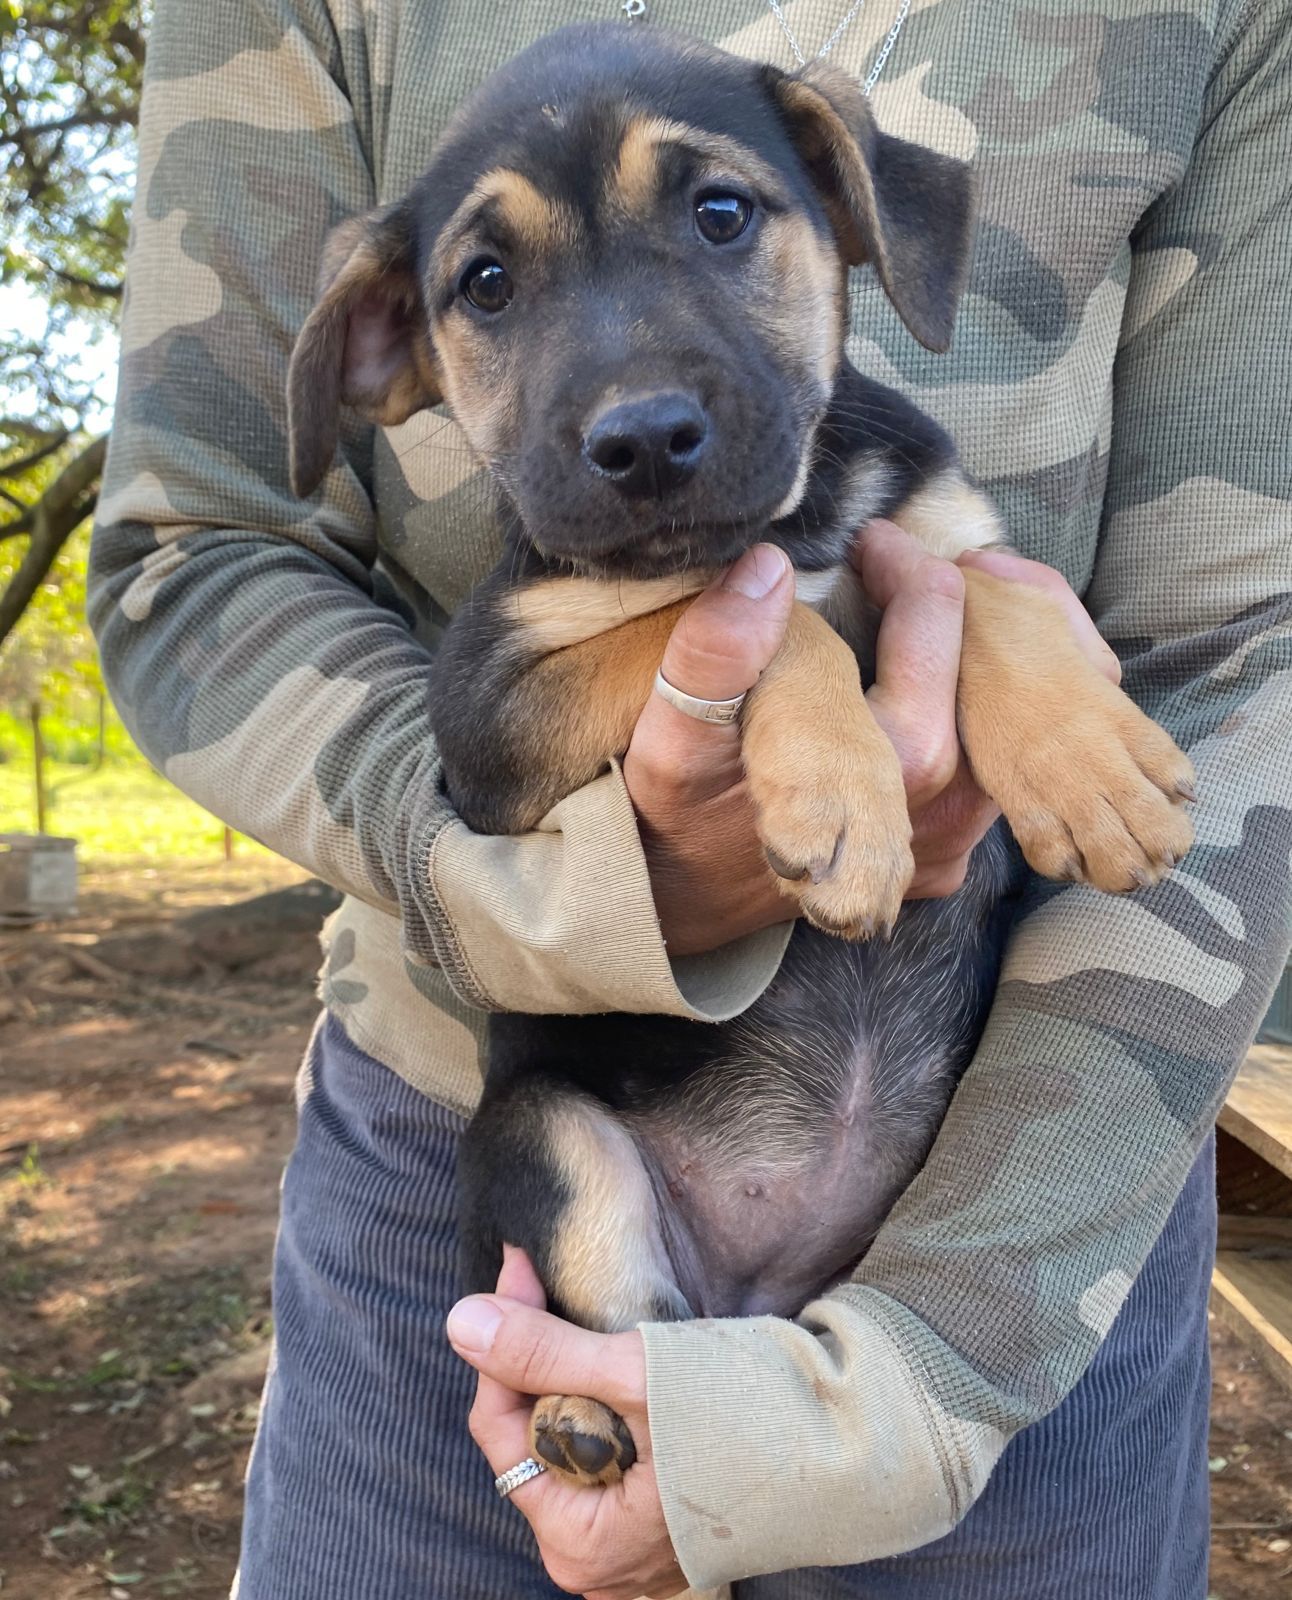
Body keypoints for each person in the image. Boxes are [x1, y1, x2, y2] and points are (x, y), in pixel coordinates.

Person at [88, 1, 1292, 1596]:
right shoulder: (552, 596)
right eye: (491, 286)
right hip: (574, 1187)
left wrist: (1023, 660)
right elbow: (310, 614)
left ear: (852, 214)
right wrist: (771, 675)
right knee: (560, 1157)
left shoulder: (900, 466)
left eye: (721, 216)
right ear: (389, 354)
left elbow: (1197, 627)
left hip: (1022, 1177)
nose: (634, 400)